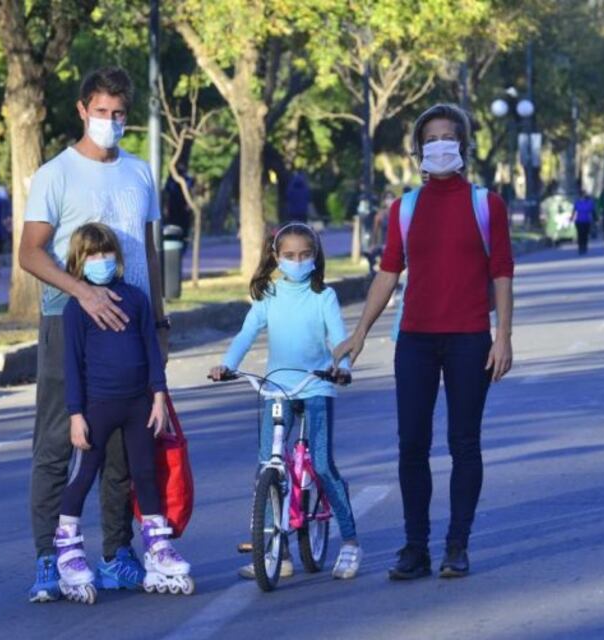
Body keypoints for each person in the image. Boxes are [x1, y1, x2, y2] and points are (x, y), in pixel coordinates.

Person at [334, 104, 514, 581]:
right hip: (414, 340)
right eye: (429, 139)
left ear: (462, 146)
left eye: (447, 137)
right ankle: (415, 547)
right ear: (417, 151)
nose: (439, 146)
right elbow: (388, 273)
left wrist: (504, 338)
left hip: (470, 340)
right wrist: (360, 332)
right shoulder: (405, 208)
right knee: (412, 445)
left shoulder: (486, 204)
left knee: (464, 443)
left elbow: (501, 273)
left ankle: (457, 544)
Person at [19, 66, 170, 603]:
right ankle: (48, 558)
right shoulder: (55, 173)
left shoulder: (141, 173)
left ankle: (117, 553)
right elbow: (30, 251)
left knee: (127, 447)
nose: (110, 122)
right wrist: (82, 292)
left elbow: (148, 252)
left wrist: (159, 320)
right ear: (82, 110)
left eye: (119, 114)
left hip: (130, 325)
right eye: (101, 112)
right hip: (71, 320)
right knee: (62, 441)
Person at [210, 222, 361, 580]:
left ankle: (351, 542)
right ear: (276, 257)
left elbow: (338, 337)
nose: (297, 261)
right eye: (289, 256)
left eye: (305, 255)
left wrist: (342, 367)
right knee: (269, 465)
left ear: (315, 257)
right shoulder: (269, 294)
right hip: (276, 389)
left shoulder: (324, 296)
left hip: (316, 387)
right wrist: (227, 365)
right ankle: (277, 551)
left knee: (322, 465)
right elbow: (247, 333)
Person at [55, 223, 189, 604]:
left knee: (144, 474)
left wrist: (159, 395)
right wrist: (75, 414)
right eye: (92, 255)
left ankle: (158, 548)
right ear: (78, 262)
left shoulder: (135, 298)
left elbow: (150, 348)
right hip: (96, 406)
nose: (101, 261)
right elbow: (72, 364)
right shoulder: (75, 308)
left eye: (106, 253)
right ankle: (67, 550)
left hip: (138, 404)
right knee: (83, 476)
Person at [367, 190, 395, 274]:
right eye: (387, 198)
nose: (389, 201)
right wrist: (372, 244)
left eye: (391, 198)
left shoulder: (398, 212)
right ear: (384, 201)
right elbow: (374, 232)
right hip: (384, 244)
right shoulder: (380, 214)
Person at [571, 190, 596, 255]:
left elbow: (593, 211)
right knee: (580, 234)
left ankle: (584, 246)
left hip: (587, 221)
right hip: (579, 221)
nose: (582, 196)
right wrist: (571, 218)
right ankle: (580, 247)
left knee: (585, 234)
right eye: (581, 195)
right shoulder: (577, 202)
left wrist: (595, 219)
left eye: (583, 195)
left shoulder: (589, 202)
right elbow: (574, 211)